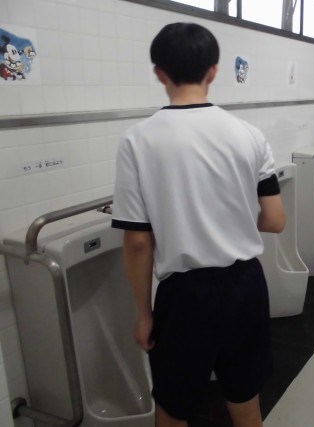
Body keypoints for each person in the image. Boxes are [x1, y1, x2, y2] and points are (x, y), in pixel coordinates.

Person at [111, 23, 285, 427]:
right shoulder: (250, 135)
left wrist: (144, 315)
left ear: (159, 73)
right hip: (246, 287)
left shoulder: (138, 140)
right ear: (214, 71)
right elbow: (275, 220)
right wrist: (231, 222)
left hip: (185, 298)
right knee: (246, 403)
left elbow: (138, 242)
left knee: (174, 410)